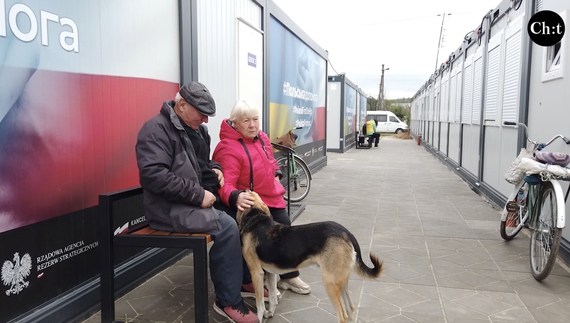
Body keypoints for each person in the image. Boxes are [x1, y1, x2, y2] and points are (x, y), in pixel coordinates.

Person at [135, 82, 259, 323]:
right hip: (168, 209)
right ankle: (227, 301)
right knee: (227, 227)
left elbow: (203, 165)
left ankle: (243, 279)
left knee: (244, 216)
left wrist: (216, 168)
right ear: (182, 105)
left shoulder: (198, 130)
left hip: (193, 204)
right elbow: (153, 176)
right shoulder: (155, 130)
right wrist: (198, 195)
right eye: (201, 113)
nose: (205, 120)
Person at [212, 99, 312, 296]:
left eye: (255, 120)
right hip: (250, 202)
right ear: (235, 122)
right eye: (246, 121)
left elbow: (271, 161)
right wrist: (235, 196)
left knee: (286, 228)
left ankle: (288, 275)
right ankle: (257, 276)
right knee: (264, 234)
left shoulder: (262, 137)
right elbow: (224, 184)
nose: (252, 125)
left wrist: (276, 173)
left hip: (270, 196)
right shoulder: (228, 148)